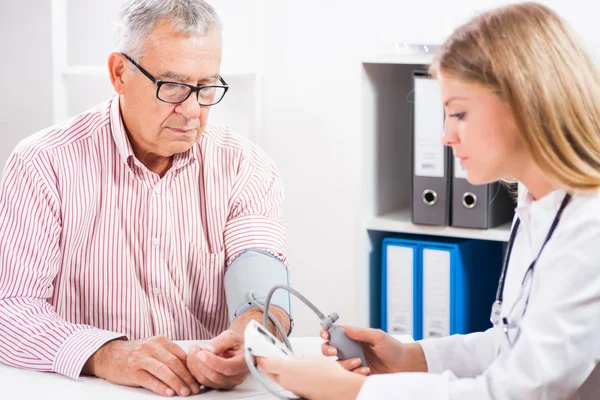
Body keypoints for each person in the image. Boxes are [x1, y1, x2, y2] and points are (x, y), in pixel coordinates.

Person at [257, 2, 600, 399]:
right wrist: (412, 357)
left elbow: (519, 391)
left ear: (526, 102)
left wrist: (352, 393)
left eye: (458, 113)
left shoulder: (589, 230)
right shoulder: (538, 203)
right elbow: (513, 345)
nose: (445, 137)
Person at [0, 0, 292, 397]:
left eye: (207, 87)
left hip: (201, 390)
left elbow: (261, 285)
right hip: (87, 390)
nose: (192, 111)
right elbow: (11, 310)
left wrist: (252, 336)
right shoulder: (43, 163)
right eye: (172, 86)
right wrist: (106, 354)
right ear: (119, 73)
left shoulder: (244, 166)